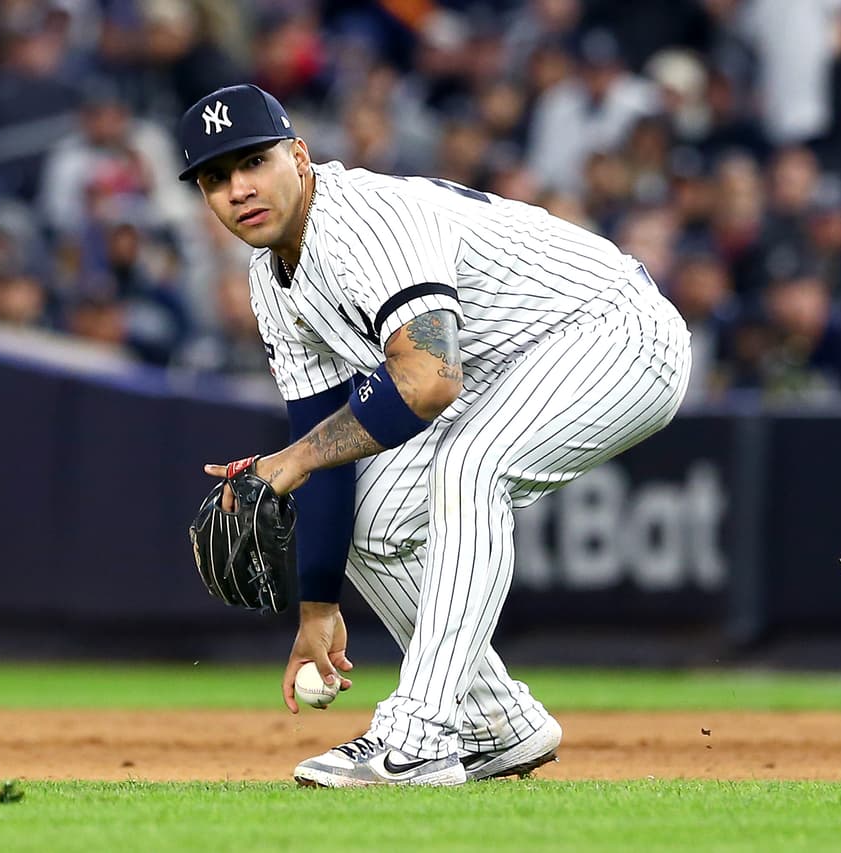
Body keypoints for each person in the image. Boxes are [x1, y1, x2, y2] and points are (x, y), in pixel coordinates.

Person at [180, 84, 692, 787]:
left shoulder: (362, 222)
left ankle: (419, 733)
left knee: (470, 467)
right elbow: (324, 444)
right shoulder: (271, 280)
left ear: (299, 156)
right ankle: (494, 720)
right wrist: (318, 607)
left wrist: (288, 462)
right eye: (216, 177)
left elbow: (429, 382)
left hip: (615, 329)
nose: (239, 189)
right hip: (504, 366)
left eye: (253, 162)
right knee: (375, 514)